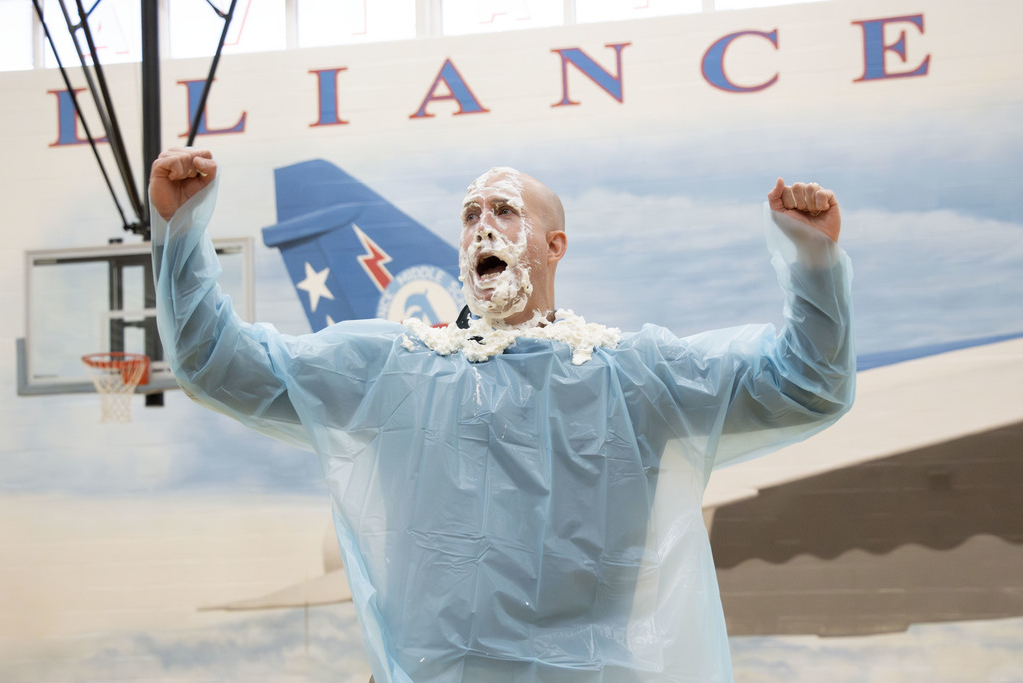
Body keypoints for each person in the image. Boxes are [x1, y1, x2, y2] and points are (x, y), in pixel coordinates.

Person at [150, 147, 854, 683]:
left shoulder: (633, 375)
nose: (482, 225)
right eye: (469, 216)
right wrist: (179, 234)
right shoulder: (396, 369)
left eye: (505, 211)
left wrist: (814, 261)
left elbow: (805, 383)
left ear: (555, 247)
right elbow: (220, 363)